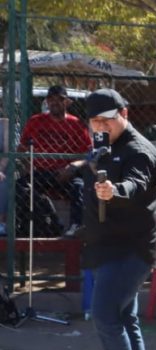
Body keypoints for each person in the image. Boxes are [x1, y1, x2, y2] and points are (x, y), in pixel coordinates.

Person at [77, 89, 156, 350]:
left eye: (107, 119)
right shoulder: (104, 146)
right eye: (95, 120)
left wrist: (114, 191)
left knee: (104, 315)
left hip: (131, 249)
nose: (101, 125)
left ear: (123, 115)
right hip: (107, 246)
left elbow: (136, 184)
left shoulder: (140, 150)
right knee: (126, 318)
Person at [17, 84, 92, 237]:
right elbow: (22, 148)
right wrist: (26, 166)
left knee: (80, 187)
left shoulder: (76, 124)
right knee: (20, 187)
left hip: (65, 174)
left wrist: (73, 166)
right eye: (51, 99)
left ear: (67, 102)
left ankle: (75, 227)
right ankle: (39, 224)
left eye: (60, 99)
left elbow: (88, 153)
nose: (55, 103)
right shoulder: (35, 121)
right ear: (47, 102)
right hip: (40, 172)